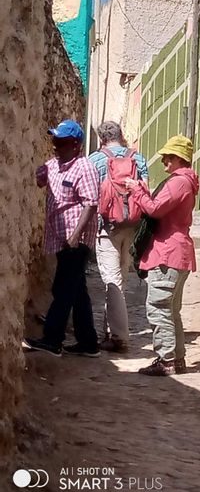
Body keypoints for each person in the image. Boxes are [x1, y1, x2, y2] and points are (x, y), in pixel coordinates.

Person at [24, 120, 100, 358]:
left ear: (75, 145)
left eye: (61, 143)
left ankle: (52, 340)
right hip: (59, 238)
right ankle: (88, 343)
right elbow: (41, 177)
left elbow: (90, 204)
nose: (56, 147)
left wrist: (76, 235)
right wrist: (40, 175)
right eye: (54, 142)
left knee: (63, 288)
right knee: (77, 289)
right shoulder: (54, 164)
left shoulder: (84, 168)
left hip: (76, 239)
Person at [125, 135, 199, 376]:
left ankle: (166, 359)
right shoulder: (185, 182)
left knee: (158, 306)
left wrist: (137, 192)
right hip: (178, 252)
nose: (164, 160)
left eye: (169, 157)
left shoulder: (178, 183)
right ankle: (176, 359)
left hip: (168, 252)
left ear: (180, 159)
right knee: (170, 309)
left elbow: (156, 209)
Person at [89, 121, 149, 353]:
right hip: (132, 225)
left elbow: (91, 196)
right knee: (121, 279)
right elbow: (145, 189)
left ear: (102, 138)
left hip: (108, 227)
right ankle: (110, 332)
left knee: (111, 280)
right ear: (122, 136)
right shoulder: (138, 158)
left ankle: (119, 337)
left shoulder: (96, 159)